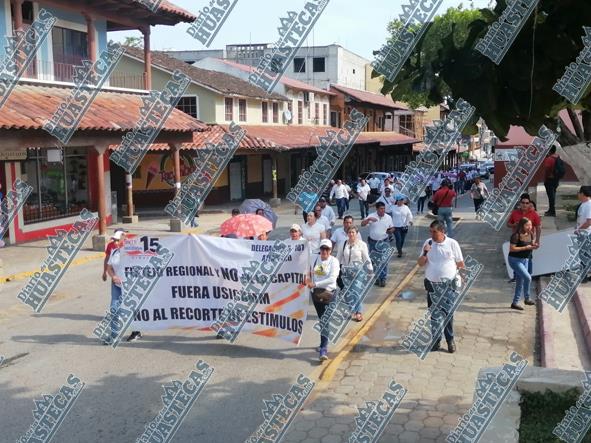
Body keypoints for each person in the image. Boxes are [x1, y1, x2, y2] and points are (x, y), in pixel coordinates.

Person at [417, 220, 465, 353]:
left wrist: (460, 279)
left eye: (434, 232)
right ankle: (436, 340)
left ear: (442, 231)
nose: (431, 234)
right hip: (432, 284)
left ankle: (450, 340)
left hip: (448, 285)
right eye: (430, 231)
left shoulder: (452, 244)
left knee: (448, 313)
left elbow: (460, 264)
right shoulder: (428, 243)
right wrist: (426, 253)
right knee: (434, 314)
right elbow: (420, 263)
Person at [105, 234, 142, 344]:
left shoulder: (134, 254)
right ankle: (114, 335)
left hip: (131, 286)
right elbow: (109, 268)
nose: (116, 242)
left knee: (132, 309)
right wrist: (113, 276)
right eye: (115, 240)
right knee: (114, 309)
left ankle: (136, 332)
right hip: (117, 286)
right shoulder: (115, 252)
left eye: (118, 240)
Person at [307, 239, 339, 361]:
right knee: (322, 320)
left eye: (327, 249)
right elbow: (309, 271)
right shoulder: (314, 258)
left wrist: (315, 284)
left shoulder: (334, 261)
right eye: (322, 249)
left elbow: (332, 279)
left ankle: (323, 349)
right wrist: (309, 280)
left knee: (325, 321)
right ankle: (322, 343)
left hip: (329, 295)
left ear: (331, 250)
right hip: (316, 296)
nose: (324, 251)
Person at [337, 226, 372, 322]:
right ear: (347, 234)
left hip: (358, 271)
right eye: (349, 232)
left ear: (357, 233)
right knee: (347, 292)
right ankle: (351, 309)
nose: (351, 234)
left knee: (356, 292)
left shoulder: (362, 244)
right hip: (346, 270)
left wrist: (370, 270)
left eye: (353, 232)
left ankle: (359, 312)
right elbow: (338, 257)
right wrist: (335, 270)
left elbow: (366, 258)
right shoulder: (343, 244)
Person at [361, 201, 394, 287]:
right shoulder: (372, 216)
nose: (382, 210)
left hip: (384, 241)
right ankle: (377, 277)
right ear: (377, 209)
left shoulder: (388, 217)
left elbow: (392, 227)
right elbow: (362, 224)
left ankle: (383, 278)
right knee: (374, 261)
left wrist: (391, 231)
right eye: (381, 209)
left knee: (384, 260)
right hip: (373, 242)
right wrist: (368, 220)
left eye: (384, 208)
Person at [508, 218, 538, 310]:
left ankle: (515, 303)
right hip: (515, 260)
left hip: (525, 260)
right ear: (522, 226)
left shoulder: (531, 234)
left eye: (531, 225)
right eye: (527, 225)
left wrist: (534, 246)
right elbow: (512, 249)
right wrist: (525, 248)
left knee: (520, 282)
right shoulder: (516, 236)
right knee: (528, 277)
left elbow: (532, 245)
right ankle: (527, 298)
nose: (530, 227)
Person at [542, 145, 561, 216]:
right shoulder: (557, 157)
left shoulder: (549, 159)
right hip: (556, 179)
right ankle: (551, 210)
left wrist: (547, 177)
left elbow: (547, 169)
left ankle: (552, 211)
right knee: (553, 195)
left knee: (551, 196)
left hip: (550, 179)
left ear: (549, 150)